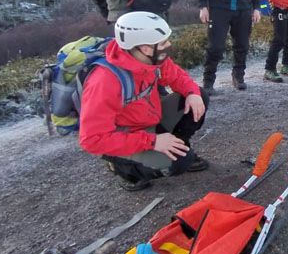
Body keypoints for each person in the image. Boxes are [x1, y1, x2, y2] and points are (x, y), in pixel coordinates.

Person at [79, 12, 209, 191]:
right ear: (145, 48)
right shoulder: (104, 82)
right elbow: (92, 140)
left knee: (199, 97)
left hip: (150, 119)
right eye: (163, 42)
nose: (168, 45)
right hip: (127, 135)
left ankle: (177, 147)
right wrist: (152, 141)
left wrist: (192, 93)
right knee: (179, 164)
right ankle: (123, 168)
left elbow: (177, 76)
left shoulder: (151, 58)